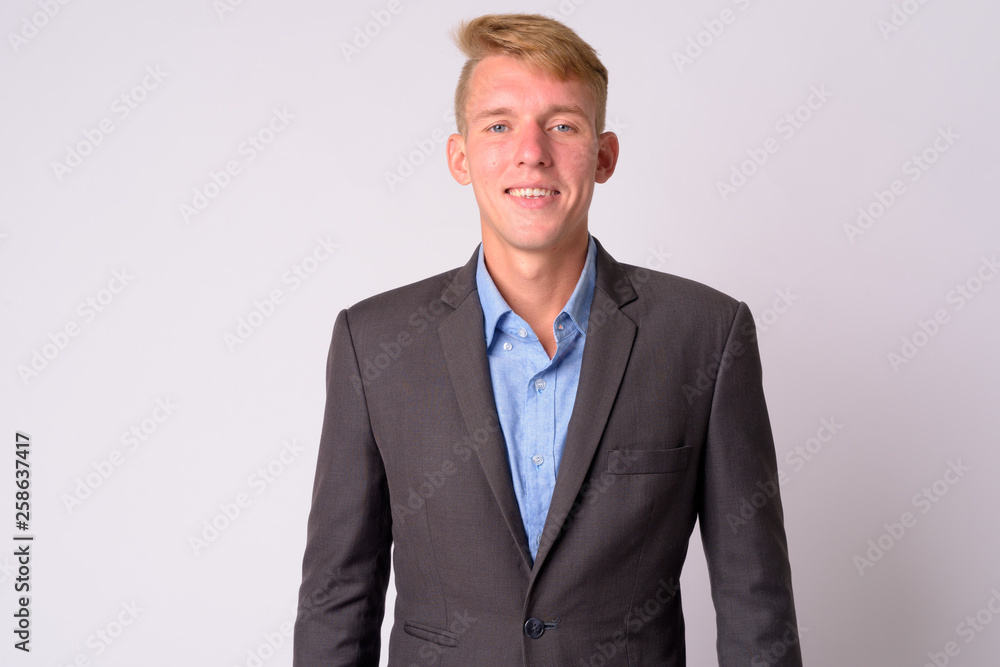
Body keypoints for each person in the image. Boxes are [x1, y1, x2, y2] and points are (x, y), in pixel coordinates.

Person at [294, 13, 802, 666]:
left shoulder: (707, 335)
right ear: (460, 157)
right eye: (498, 125)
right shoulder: (373, 343)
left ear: (604, 155)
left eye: (562, 125)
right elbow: (338, 598)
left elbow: (755, 601)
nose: (531, 151)